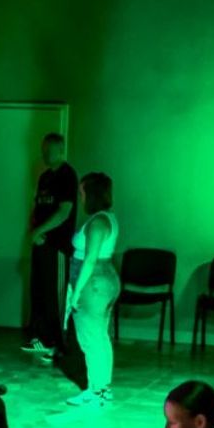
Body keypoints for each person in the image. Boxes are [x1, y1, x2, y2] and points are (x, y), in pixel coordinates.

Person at [64, 173, 121, 407]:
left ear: (91, 193)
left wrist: (75, 292)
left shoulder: (98, 222)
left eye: (82, 192)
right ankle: (101, 388)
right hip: (102, 280)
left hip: (93, 283)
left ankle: (97, 392)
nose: (80, 197)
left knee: (91, 339)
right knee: (100, 336)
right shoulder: (107, 218)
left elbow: (89, 260)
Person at [23, 132, 78, 358]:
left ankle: (58, 344)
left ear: (61, 150)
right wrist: (34, 231)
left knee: (56, 296)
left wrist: (39, 231)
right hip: (41, 244)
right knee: (40, 292)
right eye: (43, 150)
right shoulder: (44, 177)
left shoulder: (67, 175)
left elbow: (64, 212)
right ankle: (41, 340)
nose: (44, 154)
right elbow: (37, 208)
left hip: (58, 246)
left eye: (49, 150)